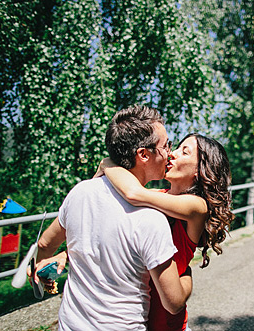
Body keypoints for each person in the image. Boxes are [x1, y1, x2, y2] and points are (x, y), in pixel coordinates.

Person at [33, 105, 193, 330]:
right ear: (143, 154)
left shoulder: (79, 192)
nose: (169, 152)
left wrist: (40, 266)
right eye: (166, 145)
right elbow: (174, 303)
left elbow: (44, 243)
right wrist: (186, 275)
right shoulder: (151, 219)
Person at [95, 133, 234, 330]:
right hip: (133, 315)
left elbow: (133, 193)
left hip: (166, 323)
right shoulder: (158, 196)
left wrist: (107, 163)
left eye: (184, 152)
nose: (172, 154)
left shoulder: (197, 207)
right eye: (176, 148)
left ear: (199, 170)